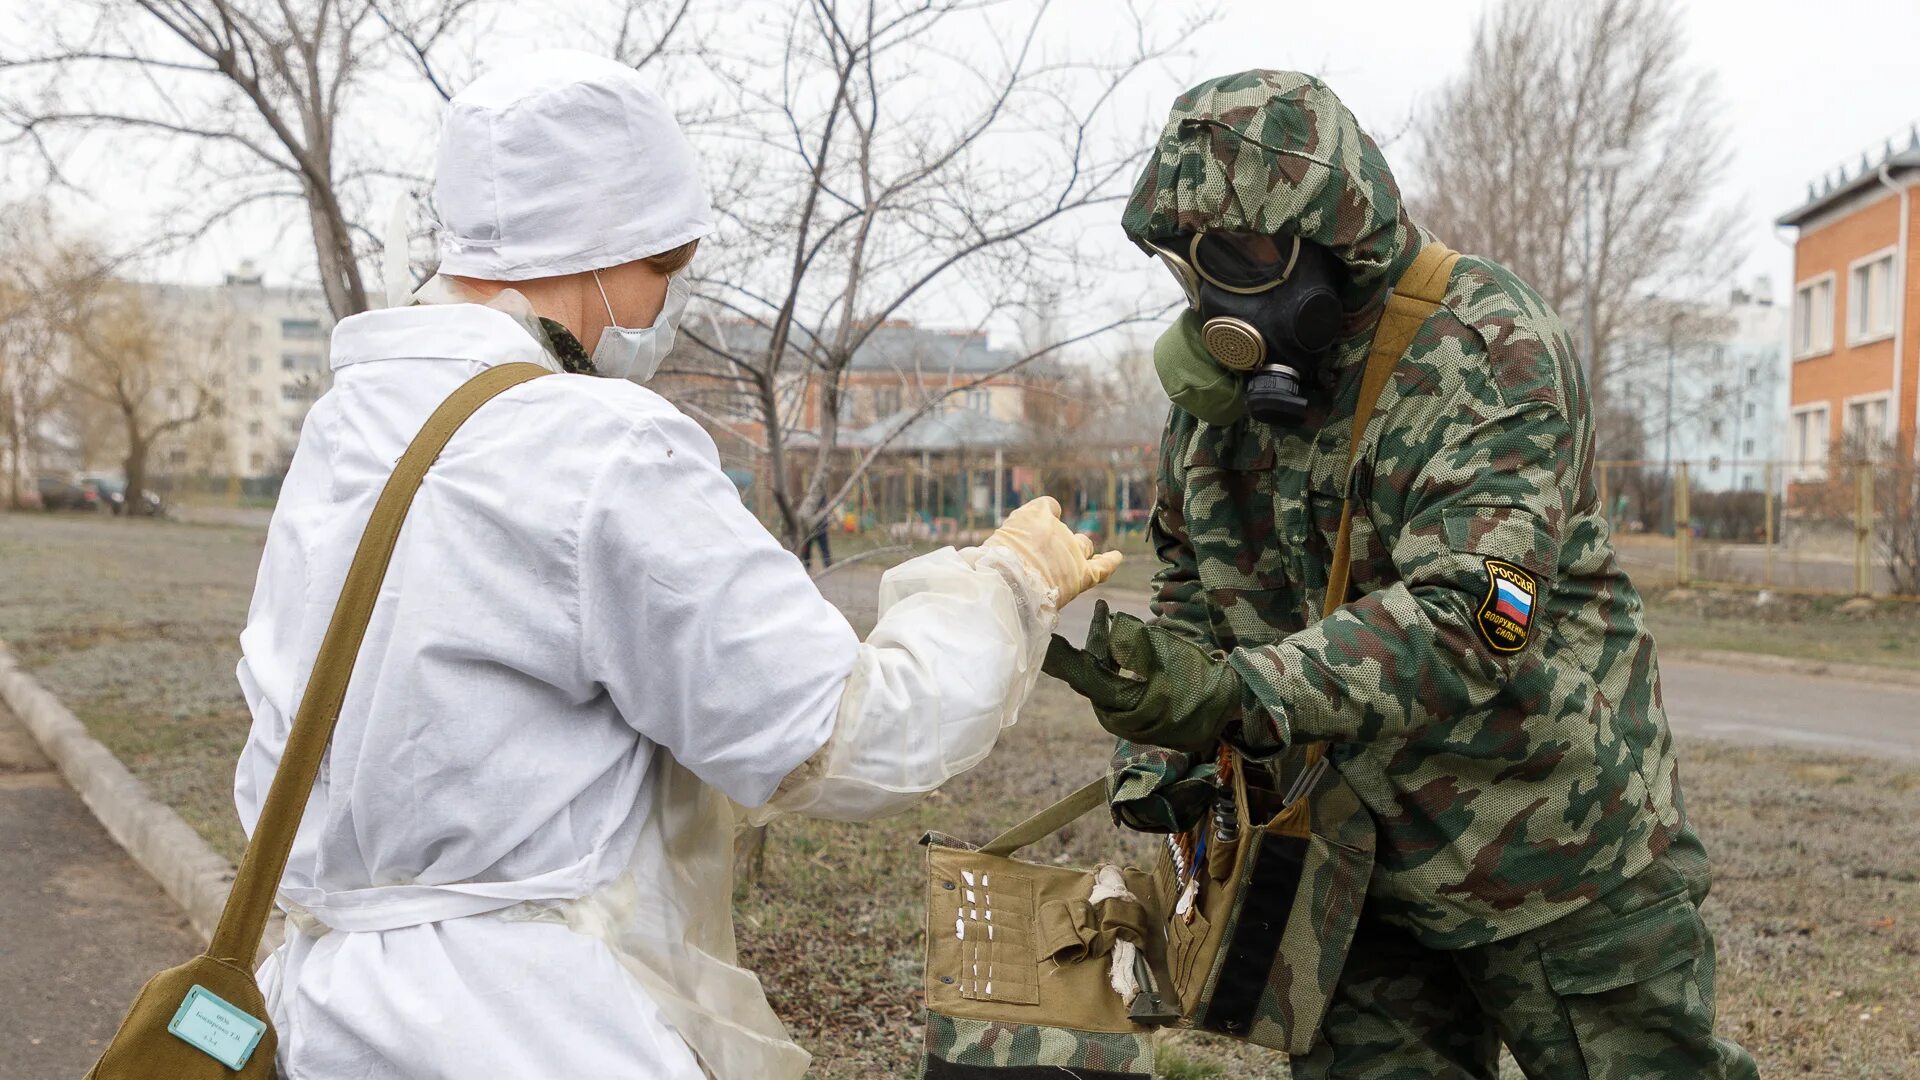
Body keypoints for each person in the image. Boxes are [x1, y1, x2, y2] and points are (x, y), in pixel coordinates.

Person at [232, 50, 1119, 1080]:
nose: (666, 305)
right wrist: (1008, 583)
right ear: (595, 250)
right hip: (530, 1027)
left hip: (322, 1017)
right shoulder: (595, 446)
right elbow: (845, 735)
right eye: (661, 269)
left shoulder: (352, 428)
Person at [1043, 70, 1757, 1079]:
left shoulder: (1486, 347)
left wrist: (1242, 696)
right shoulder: (1215, 404)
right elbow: (1196, 589)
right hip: (1346, 867)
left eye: (1241, 256)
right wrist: (1171, 742)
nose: (1214, 301)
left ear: (1333, 238)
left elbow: (1480, 615)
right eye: (1190, 266)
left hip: (1549, 849)